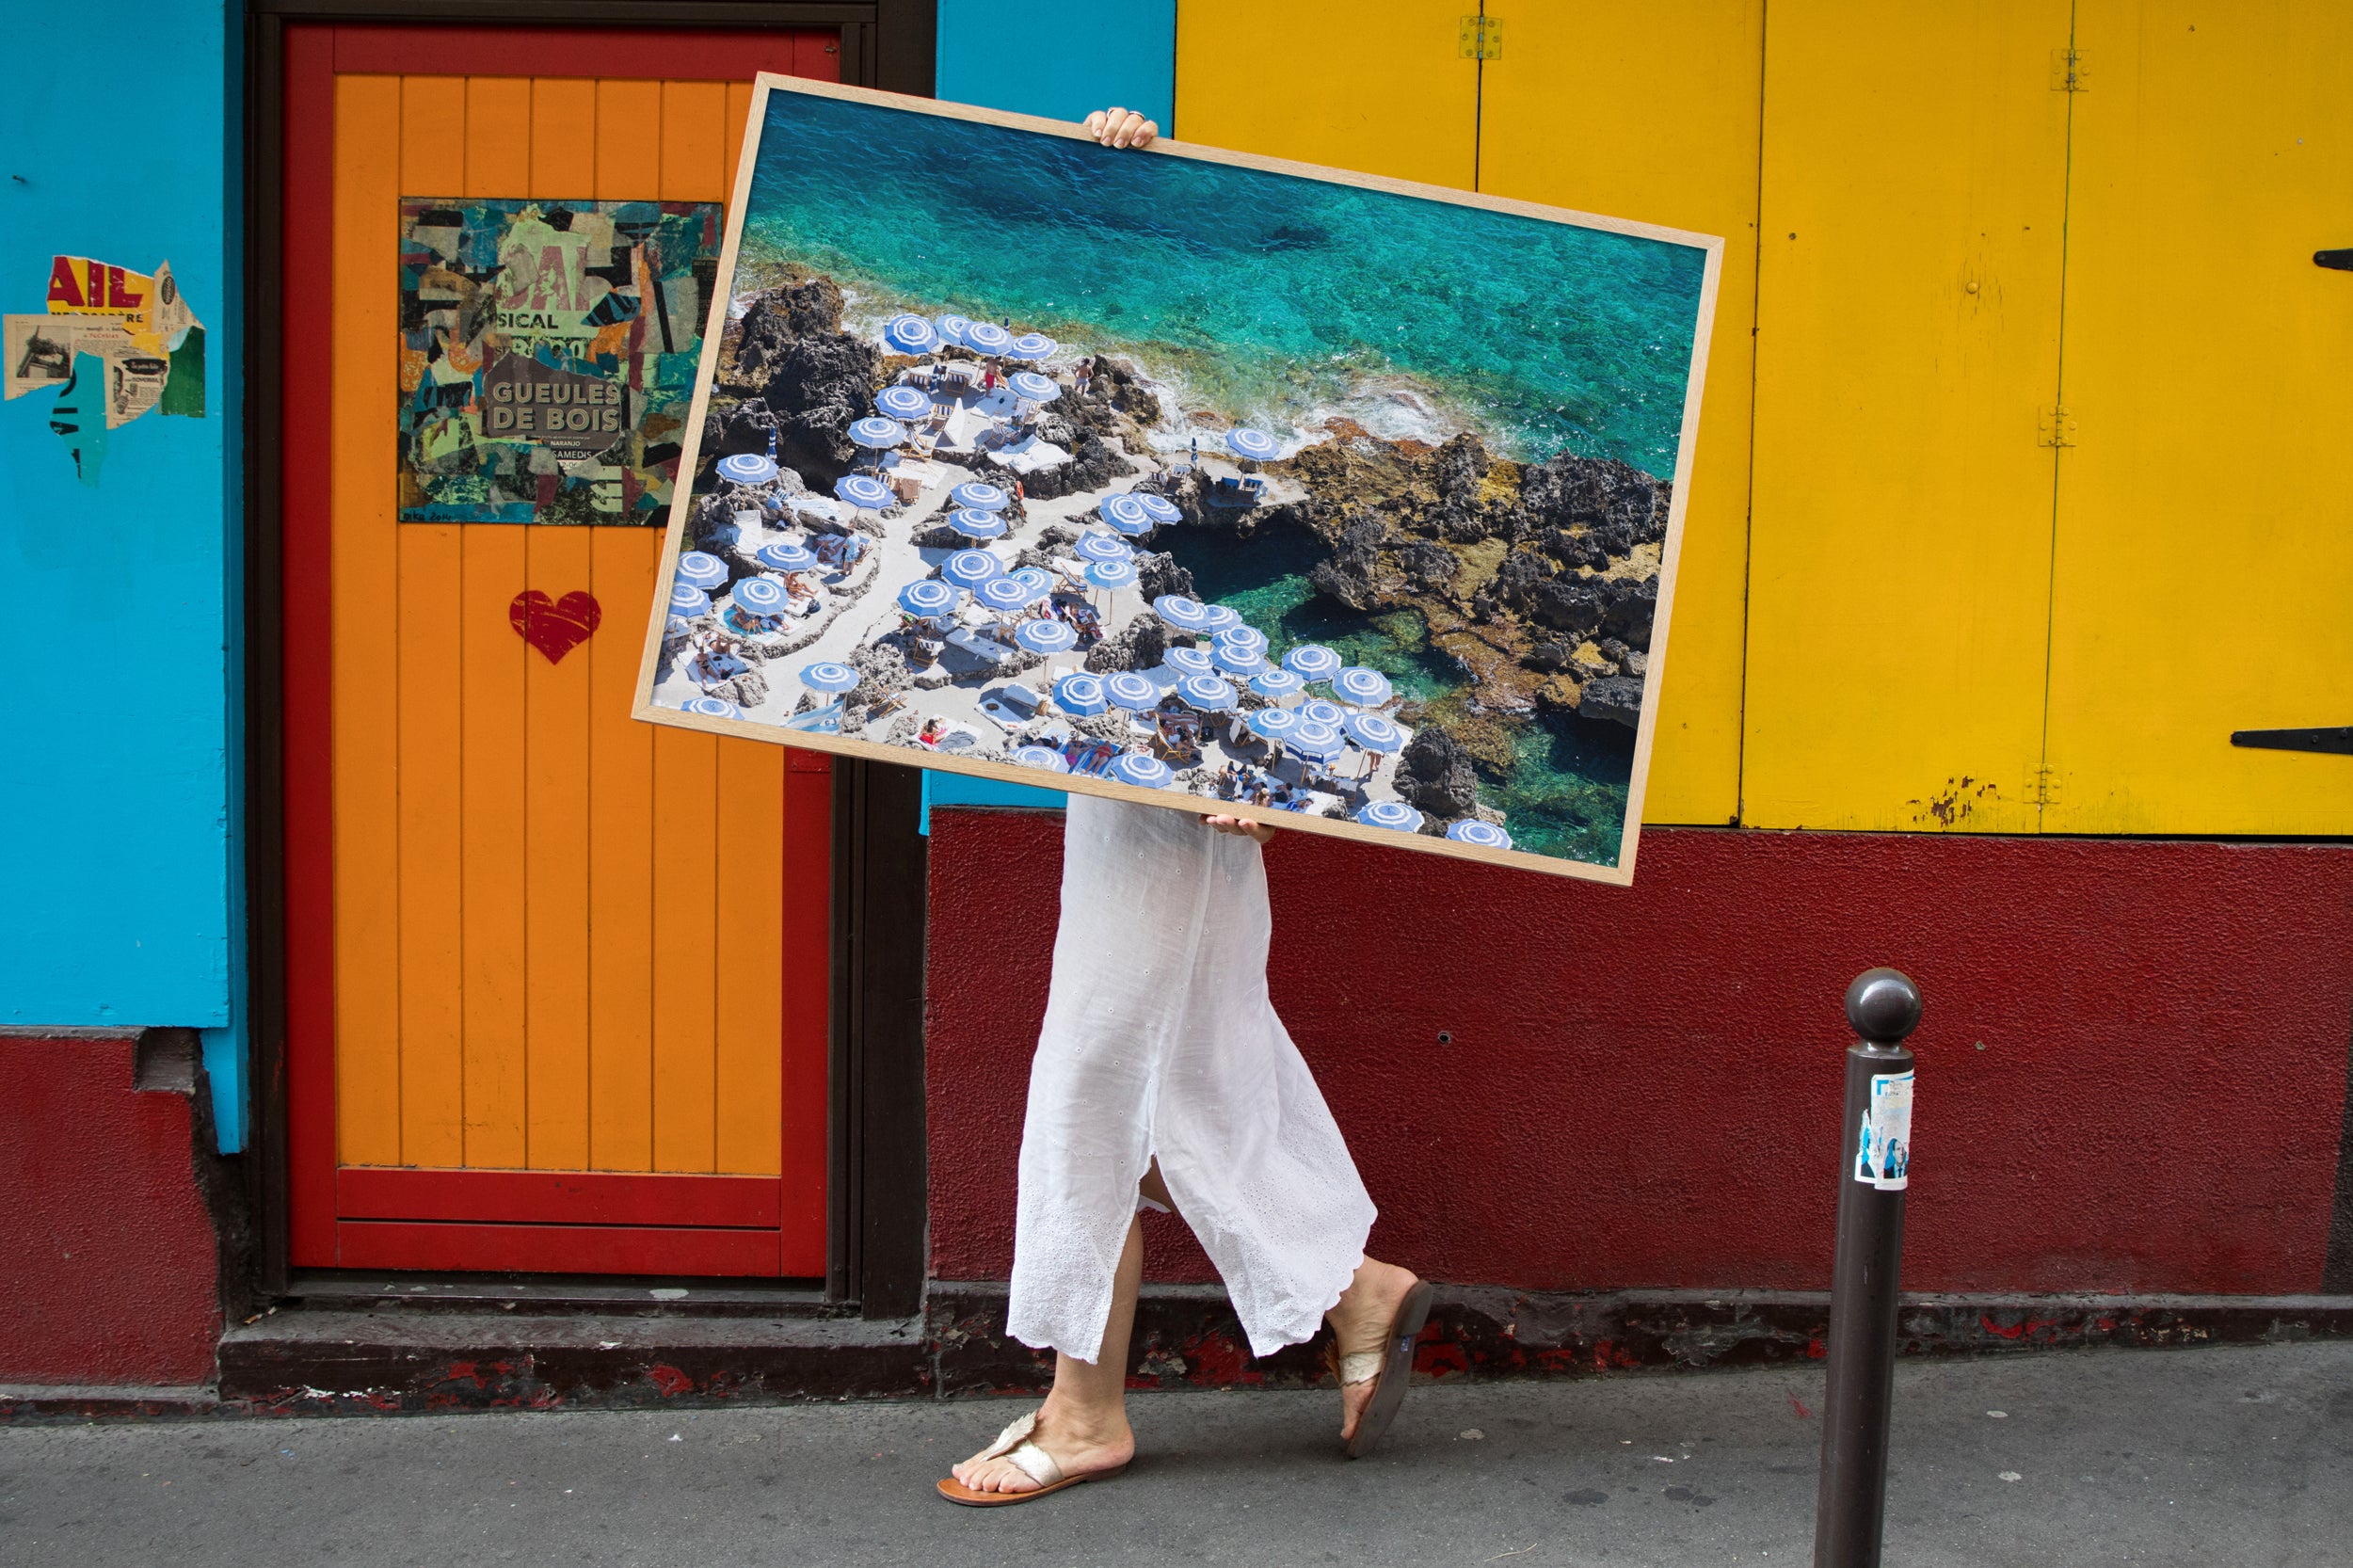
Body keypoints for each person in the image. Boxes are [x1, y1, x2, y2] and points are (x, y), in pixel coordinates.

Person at [939, 102, 1430, 1511]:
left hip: (1180, 758)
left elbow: (1285, 574)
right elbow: (1084, 336)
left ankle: (1085, 1404)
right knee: (1191, 1050)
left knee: (1101, 1062)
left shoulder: (1275, 421)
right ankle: (1353, 1291)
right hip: (1130, 740)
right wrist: (1122, 188)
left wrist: (1259, 765)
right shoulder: (1141, 384)